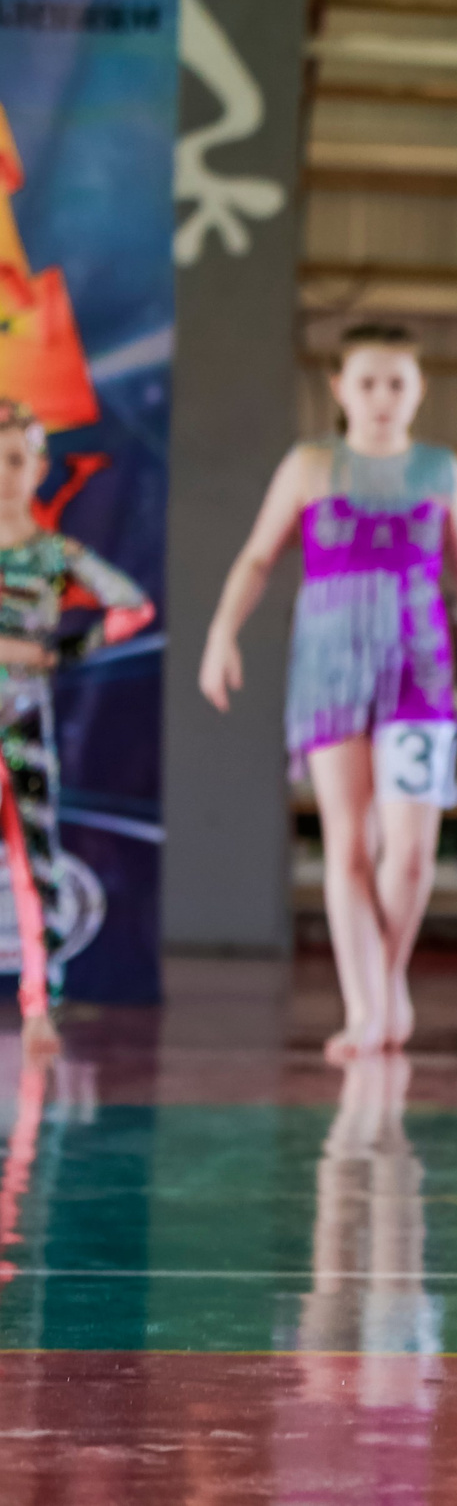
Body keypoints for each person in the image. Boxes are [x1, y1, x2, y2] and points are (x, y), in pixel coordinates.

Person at [199, 323, 457, 1060]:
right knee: (350, 842)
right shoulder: (309, 465)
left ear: (418, 388)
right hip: (329, 668)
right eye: (368, 382)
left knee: (412, 851)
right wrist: (222, 632)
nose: (383, 397)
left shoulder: (444, 471)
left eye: (398, 382)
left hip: (419, 667)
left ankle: (386, 979)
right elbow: (258, 558)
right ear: (339, 388)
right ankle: (367, 1005)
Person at [0, 401, 154, 1057]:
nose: (4, 472)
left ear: (38, 467)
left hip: (23, 723)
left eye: (14, 458)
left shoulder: (54, 553)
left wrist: (64, 650)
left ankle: (41, 1001)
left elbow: (133, 605)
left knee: (35, 863)